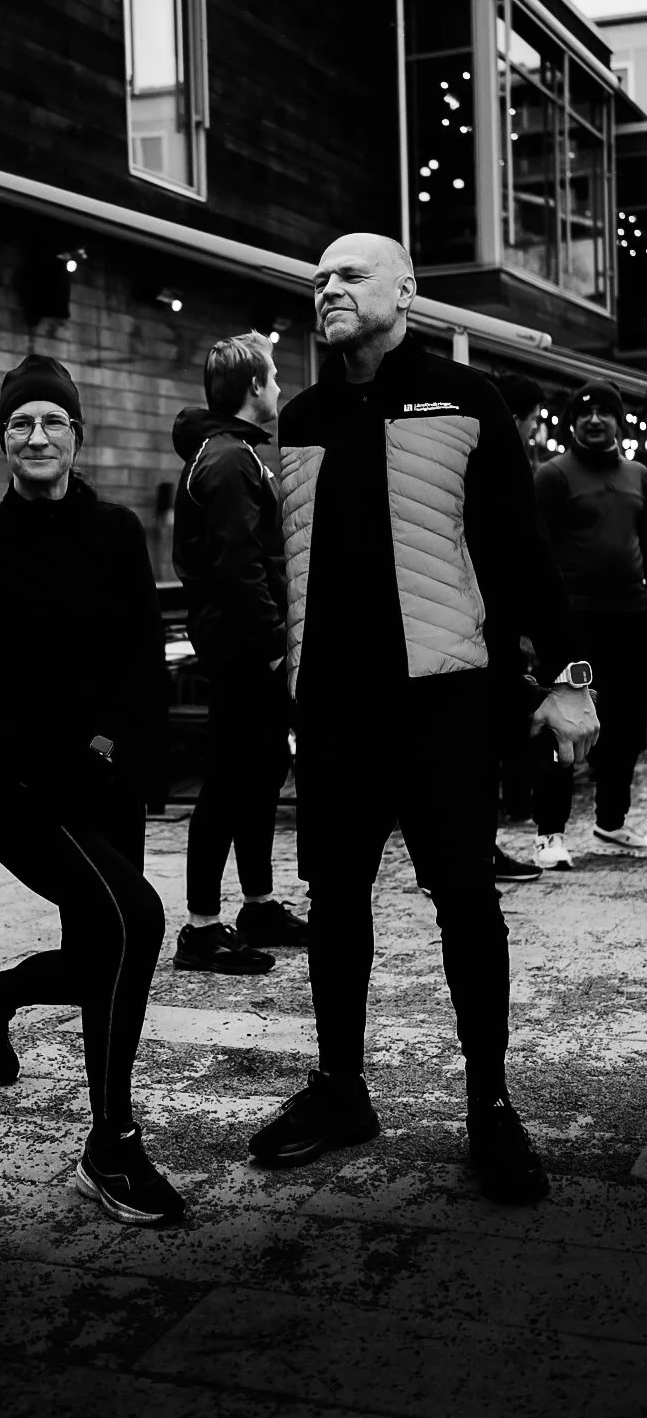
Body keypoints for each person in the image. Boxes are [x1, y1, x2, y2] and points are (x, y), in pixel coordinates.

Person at [247, 232, 598, 1205]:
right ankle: (341, 1087)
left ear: (406, 289)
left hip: (442, 702)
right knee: (335, 901)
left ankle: (488, 1102)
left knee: (466, 904)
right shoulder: (304, 416)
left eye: (350, 274)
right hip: (334, 712)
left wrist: (568, 674)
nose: (328, 288)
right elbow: (292, 562)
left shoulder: (464, 398)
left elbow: (522, 553)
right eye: (318, 278)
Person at [0, 354, 184, 1226]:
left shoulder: (116, 532)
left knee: (102, 956)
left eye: (52, 421)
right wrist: (9, 753)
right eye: (20, 423)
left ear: (80, 434)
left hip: (105, 781)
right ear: (2, 439)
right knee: (138, 921)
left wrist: (125, 752)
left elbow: (141, 659)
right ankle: (112, 1145)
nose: (36, 436)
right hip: (21, 789)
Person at [170, 331, 308, 972]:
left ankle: (257, 905)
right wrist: (274, 649)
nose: (278, 388)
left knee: (256, 777)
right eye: (274, 378)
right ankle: (200, 929)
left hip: (246, 646)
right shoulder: (227, 461)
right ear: (254, 388)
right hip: (243, 652)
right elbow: (240, 566)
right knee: (228, 783)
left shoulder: (234, 454)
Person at [531, 380, 647, 869]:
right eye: (584, 412)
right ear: (572, 422)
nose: (594, 419)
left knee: (625, 723)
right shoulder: (553, 476)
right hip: (572, 621)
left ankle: (612, 821)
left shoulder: (638, 474)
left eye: (605, 412)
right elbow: (534, 550)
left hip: (632, 617)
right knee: (563, 720)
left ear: (619, 421)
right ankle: (549, 833)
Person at [487, 373, 548, 880]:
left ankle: (476, 848)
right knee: (482, 745)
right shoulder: (500, 464)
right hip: (484, 628)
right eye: (531, 422)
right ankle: (474, 852)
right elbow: (523, 555)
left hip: (481, 625)